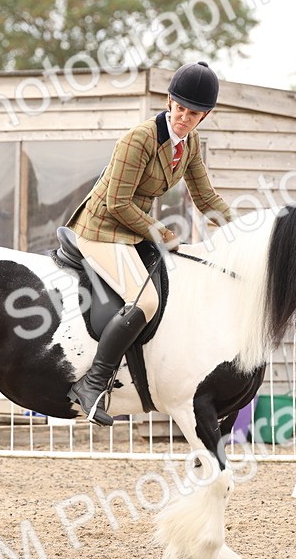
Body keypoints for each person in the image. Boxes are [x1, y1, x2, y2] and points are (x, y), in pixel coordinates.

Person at [64, 61, 234, 426]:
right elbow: (116, 203)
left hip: (133, 231)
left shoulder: (189, 143)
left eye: (194, 114)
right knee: (147, 300)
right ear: (169, 101)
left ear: (205, 116)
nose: (184, 118)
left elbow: (206, 199)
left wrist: (242, 231)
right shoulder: (139, 139)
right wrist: (163, 233)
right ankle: (92, 384)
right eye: (180, 108)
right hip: (101, 228)